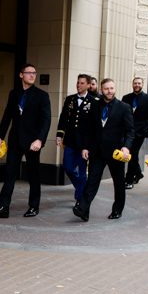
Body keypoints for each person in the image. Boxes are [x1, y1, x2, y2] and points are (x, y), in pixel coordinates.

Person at [0, 64, 51, 218]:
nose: (32, 75)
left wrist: (39, 140)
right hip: (15, 139)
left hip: (32, 142)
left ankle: (34, 207)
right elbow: (7, 116)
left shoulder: (42, 95)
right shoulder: (14, 93)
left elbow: (46, 120)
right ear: (21, 75)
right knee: (9, 173)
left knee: (33, 175)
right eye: (28, 73)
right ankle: (3, 207)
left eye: (34, 73)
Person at [74, 78, 134, 221]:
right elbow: (88, 129)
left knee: (118, 182)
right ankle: (83, 209)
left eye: (112, 88)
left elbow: (130, 131)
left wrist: (126, 147)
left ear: (115, 89)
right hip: (97, 151)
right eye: (106, 88)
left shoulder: (124, 107)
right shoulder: (94, 105)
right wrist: (85, 147)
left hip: (116, 152)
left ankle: (117, 210)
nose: (109, 91)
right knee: (92, 180)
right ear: (101, 90)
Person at [56, 74, 96, 209]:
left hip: (84, 144)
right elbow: (63, 118)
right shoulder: (70, 99)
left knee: (83, 170)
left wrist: (89, 145)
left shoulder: (94, 101)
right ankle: (81, 187)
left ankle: (80, 199)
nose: (79, 85)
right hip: (70, 141)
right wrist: (59, 135)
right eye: (78, 83)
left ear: (89, 85)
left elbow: (94, 125)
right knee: (67, 167)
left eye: (82, 83)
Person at [121, 77, 148, 189]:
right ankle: (139, 173)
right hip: (126, 131)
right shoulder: (126, 98)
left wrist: (145, 130)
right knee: (132, 154)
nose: (137, 85)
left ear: (143, 84)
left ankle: (129, 179)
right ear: (132, 84)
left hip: (139, 132)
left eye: (139, 83)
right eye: (135, 83)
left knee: (132, 153)